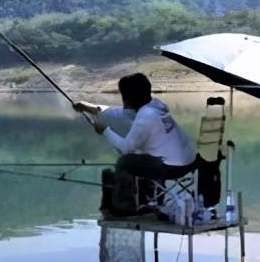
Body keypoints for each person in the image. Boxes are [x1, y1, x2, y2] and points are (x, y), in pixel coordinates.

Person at [74, 73, 197, 214]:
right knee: (142, 153)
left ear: (128, 97)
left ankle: (124, 208)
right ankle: (149, 199)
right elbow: (118, 113)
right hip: (188, 160)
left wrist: (105, 131)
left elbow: (126, 149)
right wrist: (87, 107)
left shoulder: (146, 117)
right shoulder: (155, 105)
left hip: (173, 167)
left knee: (125, 162)